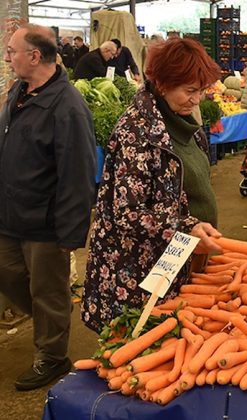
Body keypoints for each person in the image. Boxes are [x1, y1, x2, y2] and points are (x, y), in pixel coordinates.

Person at [82, 38, 223, 333]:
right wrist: (188, 226)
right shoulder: (136, 132)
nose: (197, 99)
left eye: (200, 91)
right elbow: (128, 212)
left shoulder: (186, 125)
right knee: (138, 345)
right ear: (162, 84)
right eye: (189, 91)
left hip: (182, 259)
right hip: (139, 270)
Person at [0, 23, 96, 390]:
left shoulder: (67, 105)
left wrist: (71, 231)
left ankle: (53, 357)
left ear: (34, 56)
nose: (8, 57)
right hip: (11, 215)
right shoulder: (20, 92)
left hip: (44, 221)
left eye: (12, 51)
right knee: (9, 274)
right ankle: (51, 317)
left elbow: (78, 171)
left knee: (48, 289)